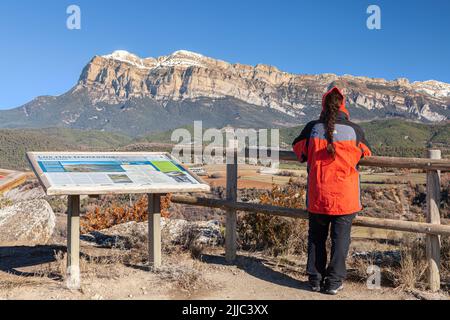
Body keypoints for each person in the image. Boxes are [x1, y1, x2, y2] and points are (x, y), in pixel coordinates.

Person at [292, 86, 372, 295]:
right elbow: (366, 152)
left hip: (319, 195)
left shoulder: (312, 128)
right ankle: (334, 282)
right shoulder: (355, 130)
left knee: (316, 237)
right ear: (343, 105)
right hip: (345, 197)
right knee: (340, 240)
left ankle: (315, 280)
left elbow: (299, 151)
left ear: (323, 105)